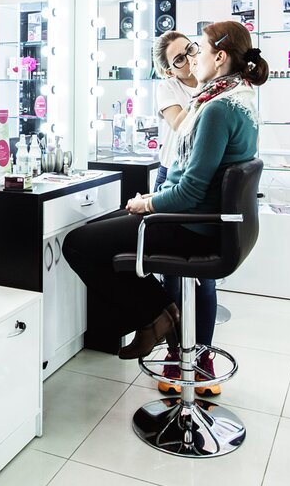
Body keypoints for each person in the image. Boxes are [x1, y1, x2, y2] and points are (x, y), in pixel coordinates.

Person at [62, 21, 265, 378]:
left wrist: (147, 204)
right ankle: (162, 314)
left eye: (198, 50)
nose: (194, 58)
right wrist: (155, 197)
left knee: (78, 244)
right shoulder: (239, 97)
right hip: (206, 222)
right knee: (102, 231)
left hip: (190, 225)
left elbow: (189, 191)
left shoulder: (216, 109)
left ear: (219, 57)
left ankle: (154, 316)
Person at [151, 31, 218, 393]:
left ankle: (202, 356)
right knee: (172, 275)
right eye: (179, 58)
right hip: (171, 177)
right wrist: (207, 90)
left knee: (204, 277)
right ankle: (175, 353)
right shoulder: (169, 89)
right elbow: (182, 124)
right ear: (169, 70)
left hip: (204, 179)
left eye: (191, 48)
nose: (189, 57)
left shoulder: (214, 77)